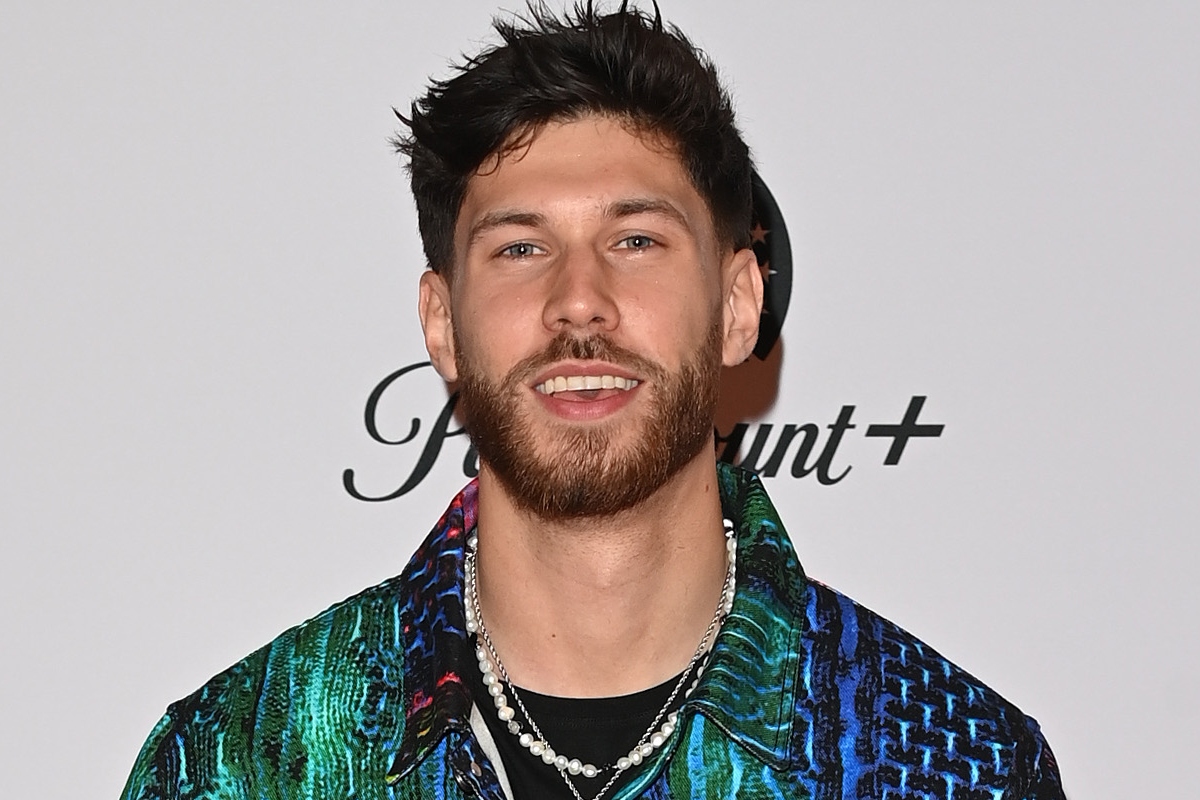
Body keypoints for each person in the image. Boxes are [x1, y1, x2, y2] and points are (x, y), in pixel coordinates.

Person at [122, 3, 1065, 799]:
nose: (579, 300)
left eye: (637, 241)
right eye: (520, 248)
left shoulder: (957, 765)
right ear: (442, 322)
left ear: (739, 306)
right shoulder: (237, 762)